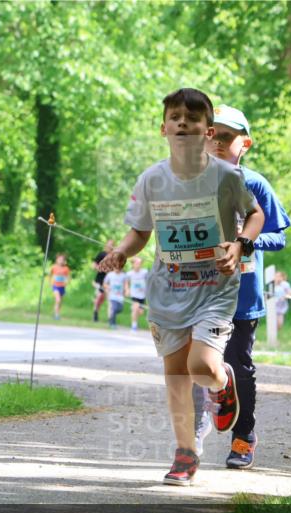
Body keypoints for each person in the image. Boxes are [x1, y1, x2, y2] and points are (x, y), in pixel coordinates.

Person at [98, 87, 264, 486]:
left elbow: (254, 215)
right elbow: (140, 231)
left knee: (201, 366)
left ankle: (222, 384)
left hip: (216, 286)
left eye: (193, 117)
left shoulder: (225, 176)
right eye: (176, 117)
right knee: (175, 374)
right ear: (163, 128)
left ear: (208, 131)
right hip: (169, 289)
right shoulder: (153, 180)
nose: (183, 123)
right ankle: (185, 453)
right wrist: (121, 252)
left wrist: (241, 243)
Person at [194, 105, 291, 470]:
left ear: (244, 143)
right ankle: (196, 427)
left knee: (238, 364)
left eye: (226, 137)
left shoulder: (255, 184)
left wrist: (248, 242)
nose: (217, 143)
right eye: (211, 135)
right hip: (200, 291)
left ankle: (243, 435)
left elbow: (278, 237)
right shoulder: (189, 182)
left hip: (242, 295)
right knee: (196, 363)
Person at [92, 239, 115, 322]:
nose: (110, 246)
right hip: (100, 280)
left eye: (112, 244)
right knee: (99, 297)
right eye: (109, 244)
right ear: (106, 245)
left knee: (108, 299)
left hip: (109, 281)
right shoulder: (102, 254)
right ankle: (95, 313)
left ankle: (110, 319)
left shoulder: (114, 256)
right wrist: (102, 269)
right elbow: (93, 265)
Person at [125, 257, 149, 331]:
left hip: (143, 295)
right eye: (136, 263)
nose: (138, 265)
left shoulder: (145, 272)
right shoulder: (129, 274)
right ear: (133, 264)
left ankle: (135, 311)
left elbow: (149, 281)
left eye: (139, 263)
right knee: (136, 307)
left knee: (140, 312)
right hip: (134, 294)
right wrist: (127, 289)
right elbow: (126, 282)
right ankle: (134, 326)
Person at [49, 253, 71, 320]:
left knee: (59, 301)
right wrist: (50, 283)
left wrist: (67, 282)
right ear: (57, 260)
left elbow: (68, 277)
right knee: (58, 300)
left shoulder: (66, 268)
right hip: (55, 286)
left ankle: (56, 313)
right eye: (59, 259)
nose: (60, 261)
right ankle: (56, 315)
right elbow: (50, 275)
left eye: (62, 260)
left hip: (62, 286)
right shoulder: (54, 267)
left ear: (64, 261)